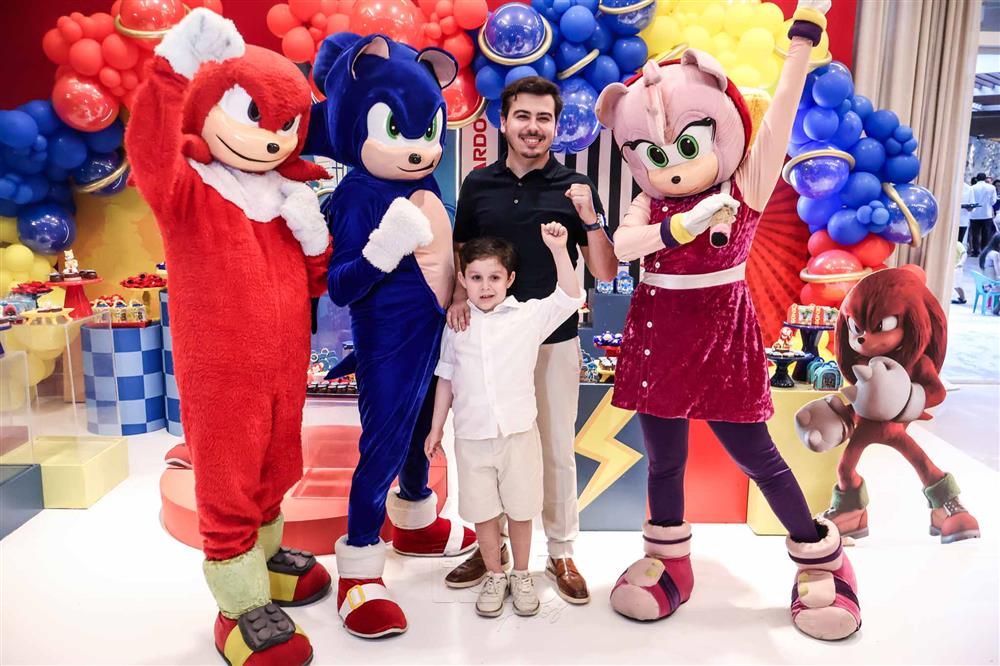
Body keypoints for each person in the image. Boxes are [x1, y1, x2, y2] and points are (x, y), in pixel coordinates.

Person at [444, 76, 618, 603]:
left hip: (553, 340)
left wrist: (590, 218)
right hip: (487, 344)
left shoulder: (574, 186)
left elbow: (605, 271)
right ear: (503, 122)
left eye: (544, 118)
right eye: (523, 116)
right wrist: (459, 296)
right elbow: (462, 252)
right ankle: (491, 550)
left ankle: (560, 550)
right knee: (488, 444)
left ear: (555, 126)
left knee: (555, 448)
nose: (533, 127)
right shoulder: (479, 184)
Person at [425, 226, 585, 617]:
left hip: (518, 434)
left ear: (509, 279)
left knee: (521, 507)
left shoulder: (526, 317)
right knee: (483, 511)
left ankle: (522, 575)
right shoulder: (457, 326)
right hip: (472, 436)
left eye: (494, 277)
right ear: (463, 279)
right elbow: (446, 377)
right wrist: (436, 428)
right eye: (476, 277)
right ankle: (495, 573)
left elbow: (570, 296)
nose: (485, 286)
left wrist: (559, 249)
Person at [969, 173, 997, 257]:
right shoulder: (991, 188)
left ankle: (975, 251)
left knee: (975, 234)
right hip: (986, 214)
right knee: (986, 234)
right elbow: (993, 201)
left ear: (977, 179)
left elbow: (970, 200)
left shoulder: (972, 188)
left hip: (974, 214)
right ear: (985, 179)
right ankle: (984, 251)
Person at [980, 232, 1000, 314]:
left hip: (984, 285)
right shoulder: (995, 254)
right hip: (991, 286)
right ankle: (996, 309)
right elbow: (998, 272)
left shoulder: (987, 252)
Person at [959, 178, 976, 245]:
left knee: (959, 242)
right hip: (949, 220)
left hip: (962, 220)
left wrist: (970, 208)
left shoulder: (969, 188)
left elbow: (972, 203)